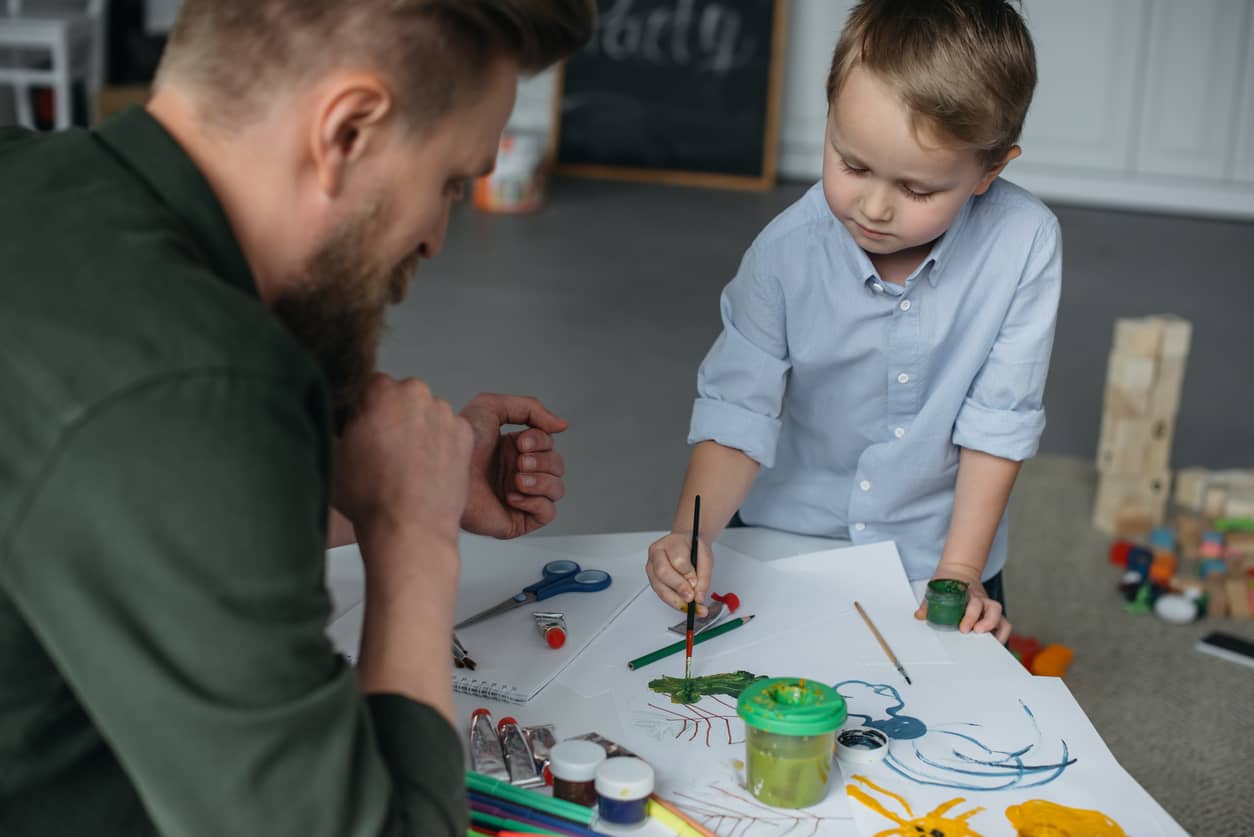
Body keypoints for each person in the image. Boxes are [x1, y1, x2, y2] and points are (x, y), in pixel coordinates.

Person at [0, 2, 594, 835]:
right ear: (348, 129)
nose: (436, 238)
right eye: (451, 182)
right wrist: (413, 537)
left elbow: (108, 515)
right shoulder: (196, 386)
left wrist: (380, 485)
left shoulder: (29, 179)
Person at [646, 0, 1060, 645]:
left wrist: (959, 570)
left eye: (918, 190)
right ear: (831, 116)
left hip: (941, 554)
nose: (872, 207)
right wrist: (690, 534)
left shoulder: (1025, 242)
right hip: (790, 536)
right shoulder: (783, 253)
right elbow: (738, 410)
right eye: (852, 164)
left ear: (990, 170)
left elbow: (999, 418)